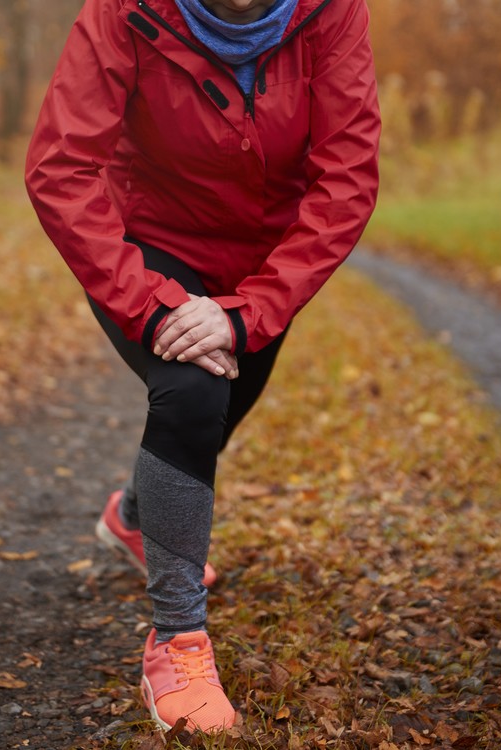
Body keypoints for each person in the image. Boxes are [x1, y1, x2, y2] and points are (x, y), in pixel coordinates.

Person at [25, 0, 380, 734]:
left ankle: (133, 516)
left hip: (264, 260)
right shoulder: (124, 11)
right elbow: (61, 168)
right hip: (148, 245)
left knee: (223, 406)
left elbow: (346, 177)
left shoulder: (332, 12)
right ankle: (177, 640)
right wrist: (151, 307)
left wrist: (252, 311)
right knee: (194, 389)